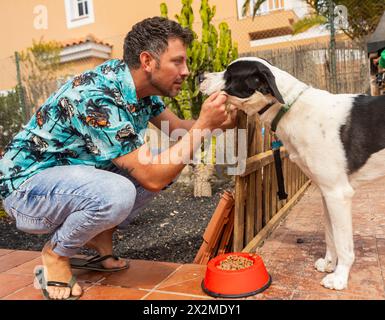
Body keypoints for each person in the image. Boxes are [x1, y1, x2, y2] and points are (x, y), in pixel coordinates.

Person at [0, 17, 236, 300]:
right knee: (121, 189)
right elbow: (152, 176)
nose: (185, 71)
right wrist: (202, 128)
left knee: (165, 160)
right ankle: (55, 255)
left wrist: (214, 122)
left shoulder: (138, 89)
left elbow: (176, 131)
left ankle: (100, 241)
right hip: (26, 191)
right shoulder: (97, 96)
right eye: (177, 62)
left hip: (67, 181)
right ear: (148, 61)